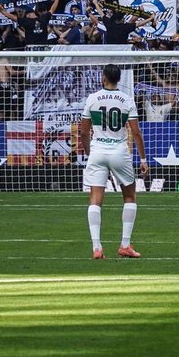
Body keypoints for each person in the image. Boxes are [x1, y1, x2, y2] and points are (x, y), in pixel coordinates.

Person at [78, 63, 147, 259]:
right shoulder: (127, 100)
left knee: (95, 199)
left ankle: (97, 248)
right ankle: (125, 244)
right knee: (130, 197)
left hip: (98, 150)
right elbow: (136, 132)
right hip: (119, 151)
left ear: (104, 78)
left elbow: (83, 131)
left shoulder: (93, 98)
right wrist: (143, 159)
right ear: (118, 79)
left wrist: (91, 151)